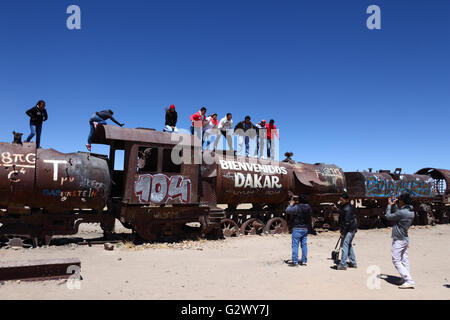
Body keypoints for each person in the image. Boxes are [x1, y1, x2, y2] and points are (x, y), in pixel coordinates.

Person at [386, 193, 416, 289]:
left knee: (396, 260)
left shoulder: (402, 212)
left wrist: (389, 205)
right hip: (405, 238)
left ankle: (409, 280)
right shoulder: (410, 211)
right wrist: (395, 205)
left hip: (399, 239)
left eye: (399, 200)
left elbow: (388, 216)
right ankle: (404, 279)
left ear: (402, 201)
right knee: (404, 259)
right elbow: (398, 213)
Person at [285, 195, 312, 267]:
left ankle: (295, 261)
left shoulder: (297, 207)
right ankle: (304, 261)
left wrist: (291, 204)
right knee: (304, 245)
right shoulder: (308, 207)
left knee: (295, 245)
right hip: (305, 228)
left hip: (297, 228)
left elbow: (287, 210)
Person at [335, 193, 358, 270]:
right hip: (351, 229)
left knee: (344, 245)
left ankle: (343, 264)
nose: (340, 201)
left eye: (342, 200)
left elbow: (347, 222)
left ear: (347, 200)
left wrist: (343, 233)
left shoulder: (347, 208)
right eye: (340, 199)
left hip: (349, 229)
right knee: (348, 245)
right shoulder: (346, 207)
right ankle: (353, 262)